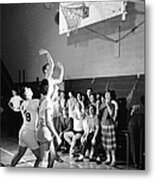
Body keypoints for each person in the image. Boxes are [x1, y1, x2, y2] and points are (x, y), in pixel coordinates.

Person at [10, 87, 40, 167]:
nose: (30, 88)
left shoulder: (23, 104)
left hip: (22, 131)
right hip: (29, 133)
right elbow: (45, 101)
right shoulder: (34, 102)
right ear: (26, 94)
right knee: (40, 157)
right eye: (28, 89)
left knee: (19, 154)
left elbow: (16, 109)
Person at [36, 79, 62, 168]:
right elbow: (48, 121)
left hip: (42, 130)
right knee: (44, 161)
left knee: (53, 156)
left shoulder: (43, 100)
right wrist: (57, 135)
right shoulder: (47, 102)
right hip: (44, 131)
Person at [99, 90, 116, 166]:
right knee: (105, 144)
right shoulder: (102, 104)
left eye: (109, 95)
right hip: (103, 125)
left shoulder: (112, 104)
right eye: (106, 95)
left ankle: (113, 159)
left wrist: (108, 105)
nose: (107, 96)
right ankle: (108, 158)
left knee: (111, 144)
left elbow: (111, 114)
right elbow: (99, 114)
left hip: (110, 125)